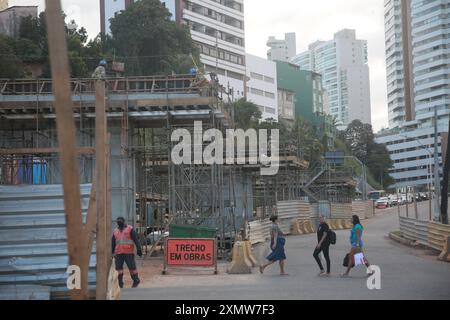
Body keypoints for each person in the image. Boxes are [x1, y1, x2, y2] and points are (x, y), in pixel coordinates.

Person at [112, 217, 143, 288]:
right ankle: (120, 282)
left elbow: (136, 240)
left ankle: (136, 280)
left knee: (132, 267)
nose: (119, 223)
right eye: (118, 222)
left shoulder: (130, 229)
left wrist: (139, 249)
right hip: (119, 253)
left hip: (128, 252)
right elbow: (113, 243)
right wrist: (112, 252)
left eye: (120, 222)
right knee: (118, 268)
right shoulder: (115, 231)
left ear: (124, 222)